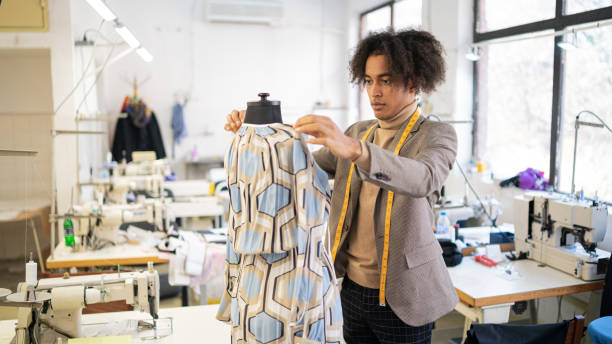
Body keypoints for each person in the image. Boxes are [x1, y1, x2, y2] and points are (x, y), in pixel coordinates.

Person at [224, 29, 458, 344]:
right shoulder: (358, 131)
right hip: (349, 291)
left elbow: (423, 178)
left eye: (385, 81)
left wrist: (354, 149)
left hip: (403, 299)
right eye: (369, 80)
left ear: (414, 82)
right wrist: (259, 133)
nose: (375, 91)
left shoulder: (436, 135)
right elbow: (300, 166)